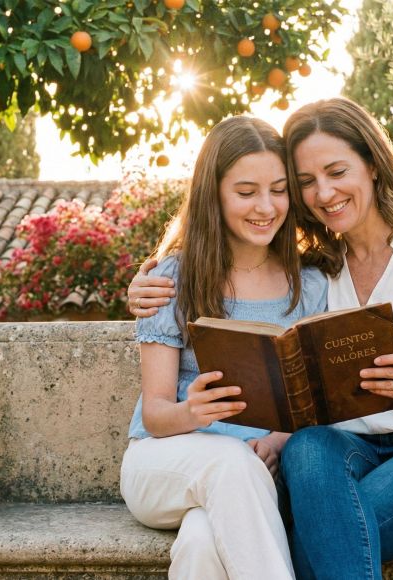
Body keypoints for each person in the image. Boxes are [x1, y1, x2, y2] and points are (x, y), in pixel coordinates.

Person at [128, 98, 393, 579]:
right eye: (306, 181)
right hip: (346, 451)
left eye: (337, 172)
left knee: (313, 539)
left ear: (372, 164)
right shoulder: (324, 266)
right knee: (302, 452)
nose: (324, 193)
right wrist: (146, 283)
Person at [119, 115, 328, 580]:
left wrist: (277, 442)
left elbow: (314, 402)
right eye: (246, 191)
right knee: (232, 464)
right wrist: (192, 412)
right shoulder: (173, 278)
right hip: (165, 463)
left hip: (256, 480)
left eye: (278, 190)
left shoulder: (310, 285)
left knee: (200, 544)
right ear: (213, 194)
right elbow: (155, 415)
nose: (266, 207)